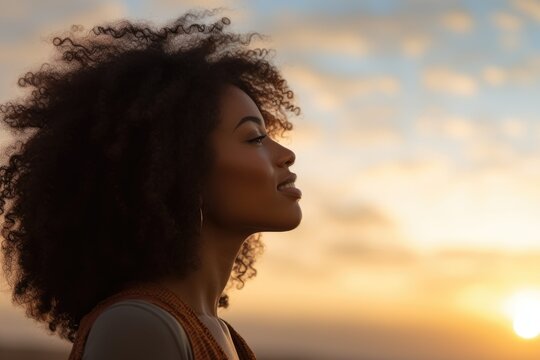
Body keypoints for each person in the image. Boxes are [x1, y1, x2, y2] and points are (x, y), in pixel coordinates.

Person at [0, 9, 302, 360]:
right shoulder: (140, 326)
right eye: (253, 138)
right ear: (182, 170)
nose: (286, 154)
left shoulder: (217, 333)